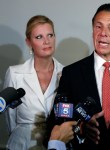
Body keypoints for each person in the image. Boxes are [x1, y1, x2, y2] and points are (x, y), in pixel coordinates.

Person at [47, 3, 110, 150]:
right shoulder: (72, 73)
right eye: (98, 26)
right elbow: (56, 123)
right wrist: (81, 128)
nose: (103, 33)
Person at [3, 15, 64, 150]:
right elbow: (9, 117)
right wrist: (19, 136)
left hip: (55, 142)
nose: (46, 41)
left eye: (50, 35)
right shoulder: (15, 73)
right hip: (22, 143)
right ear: (29, 42)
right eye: (39, 37)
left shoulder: (67, 73)